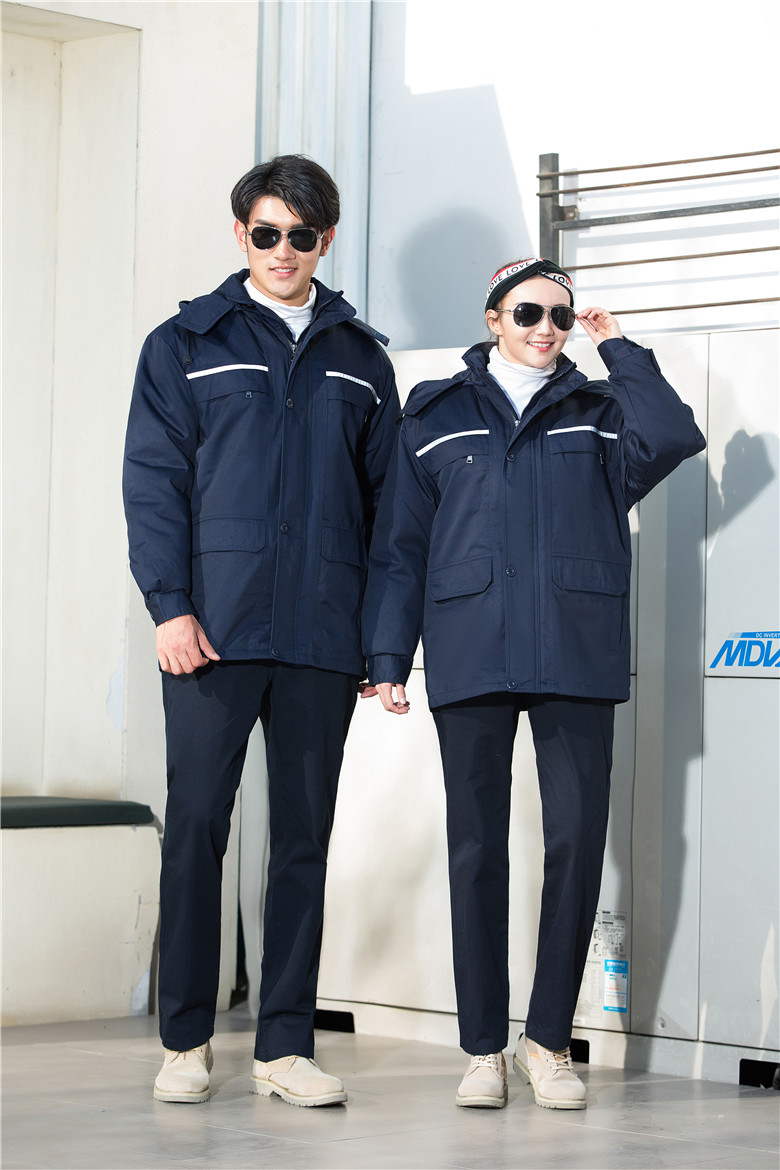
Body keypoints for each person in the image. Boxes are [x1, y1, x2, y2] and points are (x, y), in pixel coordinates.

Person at [362, 256, 706, 1110]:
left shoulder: (602, 411)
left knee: (578, 841)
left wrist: (619, 349)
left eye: (560, 314)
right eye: (527, 313)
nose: (546, 328)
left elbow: (672, 437)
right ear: (493, 319)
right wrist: (387, 656)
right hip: (471, 643)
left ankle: (547, 1042)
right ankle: (483, 1048)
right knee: (476, 849)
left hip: (575, 647)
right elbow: (401, 546)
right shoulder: (434, 415)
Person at [123, 154, 400, 1107]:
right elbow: (153, 482)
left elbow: (391, 513)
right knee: (198, 825)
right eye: (268, 233)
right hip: (213, 628)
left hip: (322, 631)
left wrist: (382, 642)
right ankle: (186, 1040)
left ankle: (284, 1046)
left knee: (304, 840)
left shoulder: (362, 358)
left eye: (303, 236)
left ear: (327, 241)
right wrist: (169, 605)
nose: (285, 251)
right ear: (241, 233)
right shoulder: (184, 344)